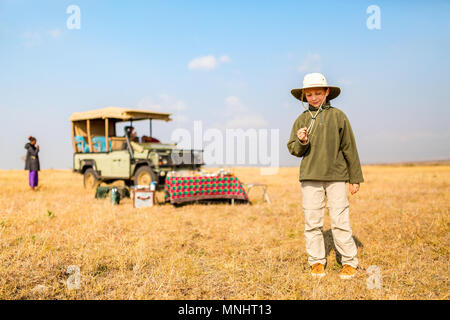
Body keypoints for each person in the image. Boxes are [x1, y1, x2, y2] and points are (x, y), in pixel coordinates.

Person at [287, 73, 364, 280]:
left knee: (340, 221)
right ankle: (317, 261)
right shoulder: (301, 119)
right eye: (309, 94)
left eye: (318, 93)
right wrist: (301, 140)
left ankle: (349, 261)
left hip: (337, 176)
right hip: (310, 177)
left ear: (327, 92)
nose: (313, 97)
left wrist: (354, 177)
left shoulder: (339, 116)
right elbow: (294, 149)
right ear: (304, 96)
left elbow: (350, 148)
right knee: (312, 222)